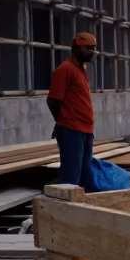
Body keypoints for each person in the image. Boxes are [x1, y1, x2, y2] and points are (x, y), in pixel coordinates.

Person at [46, 32, 97, 190]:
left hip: (86, 130)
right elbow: (53, 100)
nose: (92, 52)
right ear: (76, 48)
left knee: (84, 175)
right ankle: (65, 210)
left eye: (93, 49)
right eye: (88, 48)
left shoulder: (82, 70)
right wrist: (62, 122)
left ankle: (82, 211)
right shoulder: (65, 69)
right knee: (70, 177)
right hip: (72, 130)